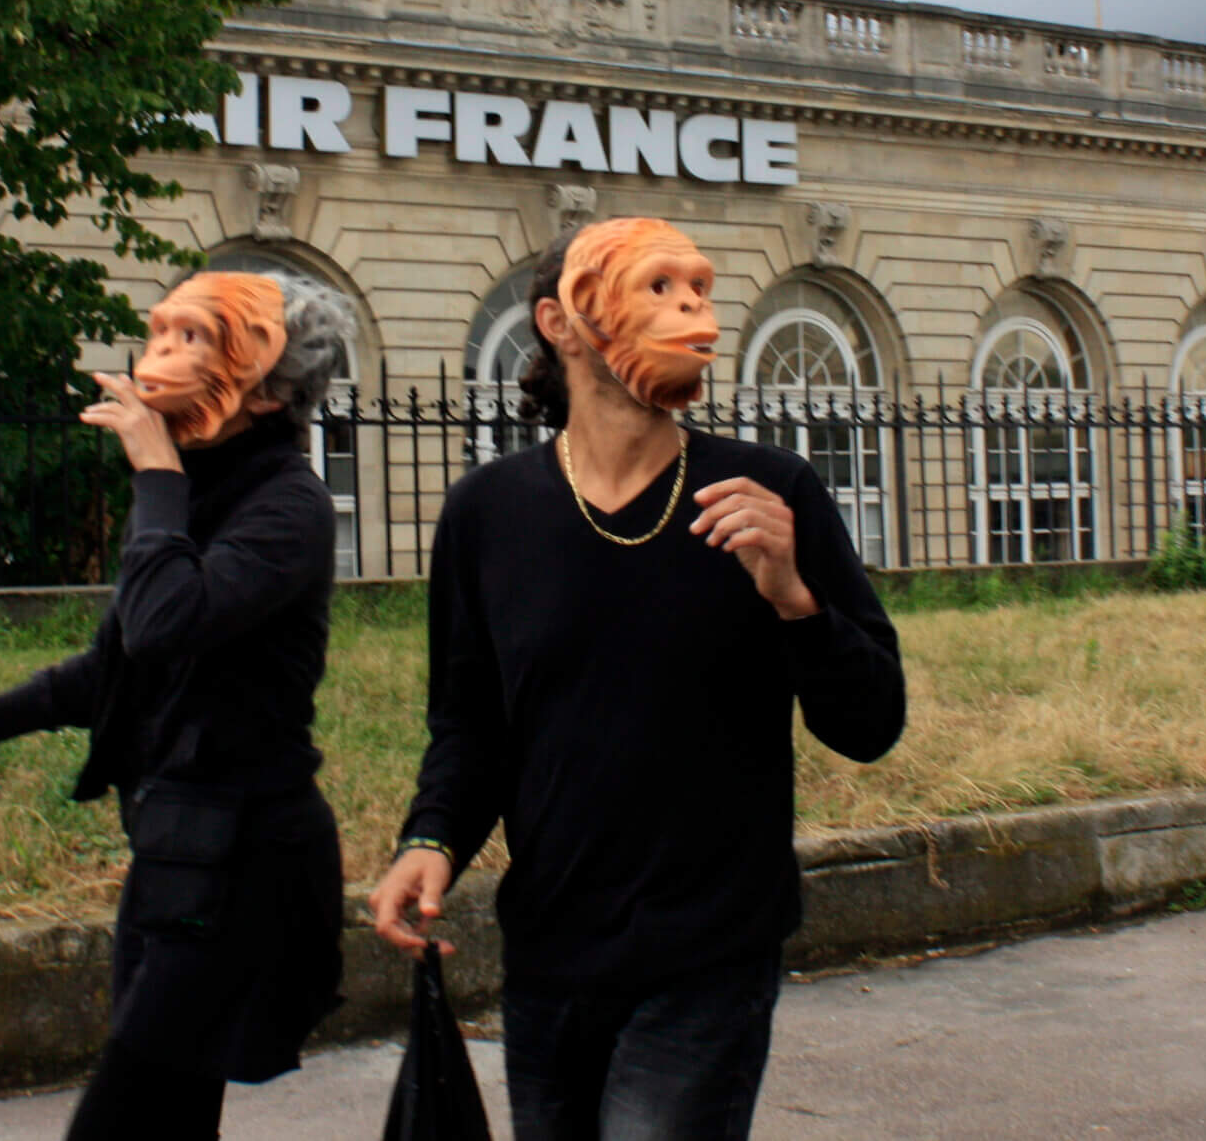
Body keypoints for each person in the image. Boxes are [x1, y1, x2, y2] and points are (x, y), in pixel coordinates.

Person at [368, 218, 908, 1141]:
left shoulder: (767, 494)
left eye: (698, 285)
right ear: (561, 322)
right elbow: (471, 725)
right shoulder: (487, 515)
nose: (694, 305)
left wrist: (792, 596)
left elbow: (871, 722)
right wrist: (432, 837)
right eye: (657, 286)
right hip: (550, 950)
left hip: (708, 952)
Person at [0, 271, 356, 1141]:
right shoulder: (196, 488)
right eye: (164, 332)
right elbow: (112, 669)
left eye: (199, 341)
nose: (162, 356)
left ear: (268, 387)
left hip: (247, 866)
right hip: (174, 856)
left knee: (121, 1125)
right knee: (167, 1122)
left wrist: (154, 474)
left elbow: (162, 625)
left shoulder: (285, 505)